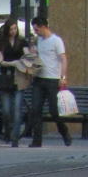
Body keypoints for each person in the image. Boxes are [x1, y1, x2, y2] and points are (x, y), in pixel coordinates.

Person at [28, 16, 72, 148]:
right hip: (39, 79)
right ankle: (37, 141)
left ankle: (64, 132)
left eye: (37, 29)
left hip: (52, 80)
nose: (36, 32)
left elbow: (63, 59)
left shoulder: (56, 41)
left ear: (43, 27)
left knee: (54, 111)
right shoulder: (39, 41)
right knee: (36, 109)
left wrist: (63, 77)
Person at [0, 18, 29, 146]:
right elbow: (0, 61)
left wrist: (25, 61)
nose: (13, 31)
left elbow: (26, 56)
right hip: (5, 77)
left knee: (17, 109)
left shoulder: (22, 42)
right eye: (11, 29)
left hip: (18, 76)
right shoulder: (1, 43)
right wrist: (14, 63)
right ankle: (8, 132)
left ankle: (14, 138)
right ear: (7, 30)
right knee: (6, 110)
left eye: (15, 28)